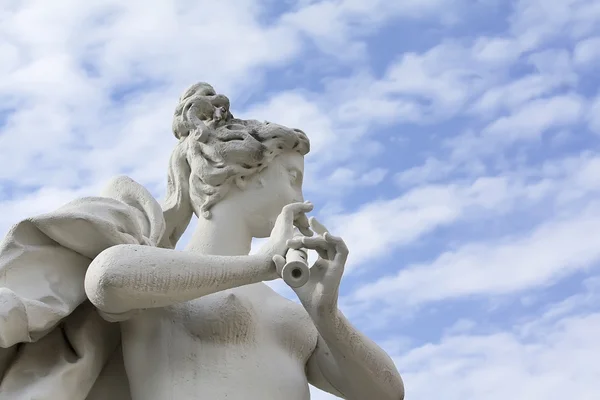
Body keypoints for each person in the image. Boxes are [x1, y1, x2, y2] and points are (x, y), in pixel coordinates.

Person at [1, 82, 404, 400]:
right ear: (247, 173)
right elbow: (107, 278)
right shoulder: (159, 276)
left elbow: (385, 392)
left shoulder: (296, 315)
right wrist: (262, 264)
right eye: (292, 178)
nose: (299, 198)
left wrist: (325, 312)